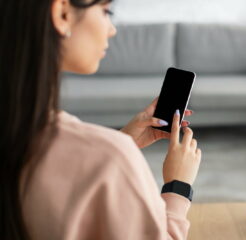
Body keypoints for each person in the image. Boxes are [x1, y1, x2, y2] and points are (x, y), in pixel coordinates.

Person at [0, 0, 202, 239]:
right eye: (106, 11)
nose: (112, 29)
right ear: (62, 13)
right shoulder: (111, 157)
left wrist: (120, 141)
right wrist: (178, 187)